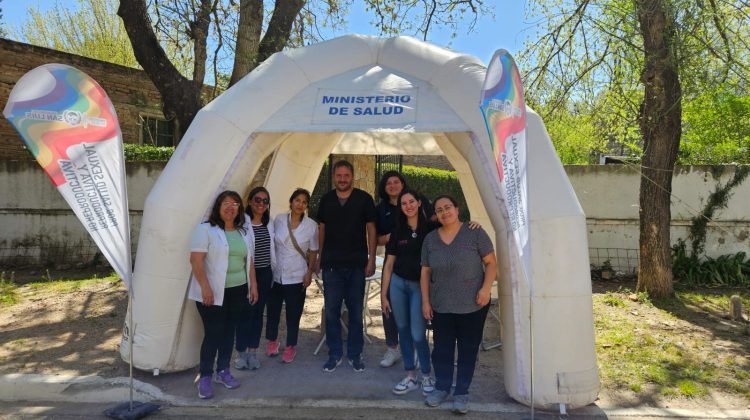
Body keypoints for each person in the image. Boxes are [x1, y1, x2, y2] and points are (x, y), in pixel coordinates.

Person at [420, 195, 496, 414]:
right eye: (439, 209)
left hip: (473, 305)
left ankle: (461, 393)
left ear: (457, 208)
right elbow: (425, 272)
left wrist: (485, 288)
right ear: (436, 214)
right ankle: (441, 387)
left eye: (448, 207)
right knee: (441, 350)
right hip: (441, 305)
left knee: (467, 350)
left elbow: (491, 263)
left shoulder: (475, 232)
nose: (445, 212)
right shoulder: (430, 240)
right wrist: (426, 301)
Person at [188, 190, 258, 399]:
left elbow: (250, 261)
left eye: (235, 204)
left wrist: (253, 285)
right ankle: (206, 376)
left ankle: (223, 371)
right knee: (214, 334)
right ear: (218, 207)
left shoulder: (243, 231)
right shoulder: (206, 229)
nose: (231, 207)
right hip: (212, 292)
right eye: (226, 203)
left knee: (229, 333)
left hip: (238, 290)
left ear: (239, 209)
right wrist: (205, 287)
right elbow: (196, 260)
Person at [315, 159, 377, 373]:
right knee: (332, 311)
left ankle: (354, 354)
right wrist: (319, 257)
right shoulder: (326, 200)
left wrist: (371, 258)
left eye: (346, 175)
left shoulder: (364, 199)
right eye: (339, 176)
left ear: (352, 176)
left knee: (356, 311)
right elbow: (321, 229)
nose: (342, 179)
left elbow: (371, 229)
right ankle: (334, 354)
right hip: (331, 265)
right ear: (334, 177)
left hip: (357, 265)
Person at [375, 171, 436, 368]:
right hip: (396, 266)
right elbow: (375, 238)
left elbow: (443, 222)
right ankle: (394, 349)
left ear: (418, 203)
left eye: (396, 182)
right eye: (388, 183)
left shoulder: (424, 215)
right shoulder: (382, 210)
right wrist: (387, 239)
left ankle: (419, 350)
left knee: (417, 317)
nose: (392, 185)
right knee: (391, 311)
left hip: (420, 274)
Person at [267, 188, 319, 363]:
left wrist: (309, 272)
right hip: (277, 274)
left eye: (304, 202)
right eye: (297, 200)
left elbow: (313, 251)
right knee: (273, 311)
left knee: (293, 313)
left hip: (297, 275)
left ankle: (290, 346)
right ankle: (272, 341)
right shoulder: (279, 220)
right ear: (291, 202)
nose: (300, 204)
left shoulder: (311, 225)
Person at [235, 187, 276, 370]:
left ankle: (253, 353)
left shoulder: (270, 223)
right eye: (257, 200)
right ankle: (240, 354)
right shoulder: (241, 223)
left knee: (258, 314)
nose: (261, 204)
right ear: (250, 202)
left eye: (265, 201)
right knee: (245, 314)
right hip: (245, 274)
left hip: (265, 273)